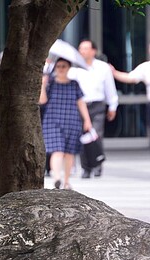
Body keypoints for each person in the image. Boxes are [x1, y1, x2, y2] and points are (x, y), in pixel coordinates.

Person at [68, 39, 119, 178]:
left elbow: (109, 87)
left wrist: (112, 105)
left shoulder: (103, 68)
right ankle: (86, 168)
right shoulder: (74, 69)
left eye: (85, 48)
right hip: (79, 106)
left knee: (96, 135)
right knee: (83, 137)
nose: (82, 51)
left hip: (97, 105)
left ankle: (97, 164)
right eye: (80, 48)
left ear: (93, 51)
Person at [40, 58, 92, 190]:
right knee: (57, 150)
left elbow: (81, 103)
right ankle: (57, 178)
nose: (61, 69)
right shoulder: (50, 83)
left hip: (72, 121)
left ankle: (67, 181)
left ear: (69, 68)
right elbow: (42, 101)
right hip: (53, 121)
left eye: (64, 66)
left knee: (69, 152)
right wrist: (43, 85)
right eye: (58, 66)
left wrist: (87, 120)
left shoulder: (74, 84)